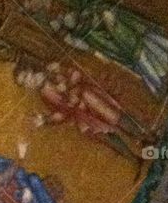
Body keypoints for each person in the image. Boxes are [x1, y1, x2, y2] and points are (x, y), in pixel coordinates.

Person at [22, 0, 168, 96]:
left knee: (137, 33)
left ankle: (167, 54)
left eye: (30, 0)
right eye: (31, 9)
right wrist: (91, 50)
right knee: (128, 53)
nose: (34, 5)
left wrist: (90, 12)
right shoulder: (52, 21)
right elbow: (70, 39)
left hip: (101, 14)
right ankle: (159, 78)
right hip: (96, 37)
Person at [16, 60, 149, 164]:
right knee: (106, 136)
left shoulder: (52, 69)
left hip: (89, 98)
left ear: (31, 70)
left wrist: (70, 87)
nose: (28, 83)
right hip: (82, 116)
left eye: (26, 77)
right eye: (25, 83)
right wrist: (46, 120)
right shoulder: (43, 95)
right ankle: (134, 159)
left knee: (116, 117)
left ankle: (145, 137)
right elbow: (62, 113)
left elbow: (75, 73)